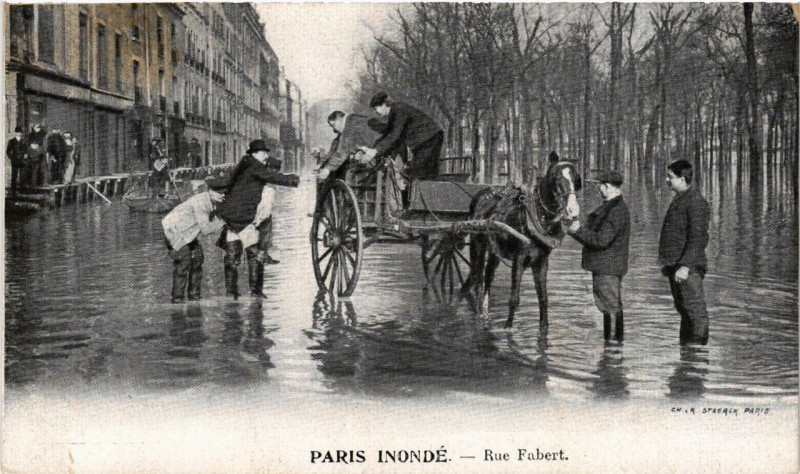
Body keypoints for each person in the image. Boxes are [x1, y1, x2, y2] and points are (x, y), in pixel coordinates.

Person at [217, 139, 299, 298]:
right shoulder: (255, 166)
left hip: (233, 217)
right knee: (254, 256)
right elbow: (272, 177)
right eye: (265, 153)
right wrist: (294, 179)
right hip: (242, 218)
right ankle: (255, 293)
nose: (266, 156)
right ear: (259, 153)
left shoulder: (245, 164)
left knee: (232, 257)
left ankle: (231, 294)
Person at [567, 170, 631, 342]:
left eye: (600, 187)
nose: (599, 190)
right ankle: (613, 353)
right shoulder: (614, 207)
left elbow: (601, 240)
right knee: (611, 304)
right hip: (608, 266)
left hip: (607, 268)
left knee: (609, 306)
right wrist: (576, 227)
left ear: (607, 187)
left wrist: (578, 231)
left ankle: (611, 352)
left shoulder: (615, 210)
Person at [659, 160, 710, 345]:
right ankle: (687, 358)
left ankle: (697, 358)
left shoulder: (696, 202)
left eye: (670, 177)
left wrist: (685, 266)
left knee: (695, 312)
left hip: (688, 269)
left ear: (682, 179)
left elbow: (698, 239)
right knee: (684, 311)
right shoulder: (681, 199)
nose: (667, 180)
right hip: (677, 267)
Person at [161, 176, 228, 303]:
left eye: (224, 192)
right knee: (184, 261)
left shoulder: (215, 201)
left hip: (189, 233)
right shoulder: (201, 203)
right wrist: (223, 222)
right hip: (174, 231)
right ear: (210, 191)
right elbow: (206, 229)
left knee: (198, 258)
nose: (223, 195)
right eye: (220, 192)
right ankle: (177, 299)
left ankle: (194, 296)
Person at [360, 92, 444, 181]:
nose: (375, 111)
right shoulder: (395, 112)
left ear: (384, 105)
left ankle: (424, 192)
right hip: (428, 138)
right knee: (425, 173)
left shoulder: (399, 109)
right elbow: (390, 133)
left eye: (375, 108)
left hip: (429, 138)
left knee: (416, 173)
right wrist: (375, 148)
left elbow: (394, 134)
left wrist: (376, 150)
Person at [6, 126, 26, 195]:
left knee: (22, 176)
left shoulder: (24, 141)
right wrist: (12, 158)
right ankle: (13, 191)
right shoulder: (11, 141)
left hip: (22, 161)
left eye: (20, 132)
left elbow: (26, 151)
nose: (19, 134)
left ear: (22, 133)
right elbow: (8, 152)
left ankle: (22, 191)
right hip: (15, 161)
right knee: (14, 176)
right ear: (15, 133)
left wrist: (26, 154)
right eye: (17, 132)